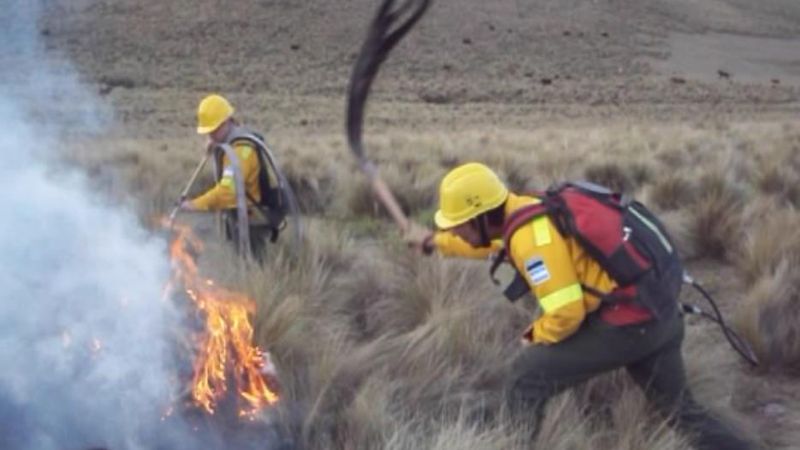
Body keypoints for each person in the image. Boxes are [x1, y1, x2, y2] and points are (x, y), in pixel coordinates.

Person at [405, 162, 754, 450]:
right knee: (680, 411)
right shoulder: (526, 210)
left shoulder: (532, 237)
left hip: (628, 327)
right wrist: (436, 242)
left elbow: (567, 312)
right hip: (659, 314)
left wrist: (534, 334)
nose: (460, 232)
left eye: (460, 226)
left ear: (481, 215)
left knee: (526, 378)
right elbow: (492, 245)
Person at [180, 94, 286, 261]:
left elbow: (227, 192)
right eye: (208, 132)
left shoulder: (242, 150)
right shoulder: (230, 142)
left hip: (253, 217)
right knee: (240, 258)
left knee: (252, 264)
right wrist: (216, 147)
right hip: (242, 214)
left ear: (227, 121)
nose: (211, 136)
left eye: (214, 130)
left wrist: (195, 204)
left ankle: (262, 284)